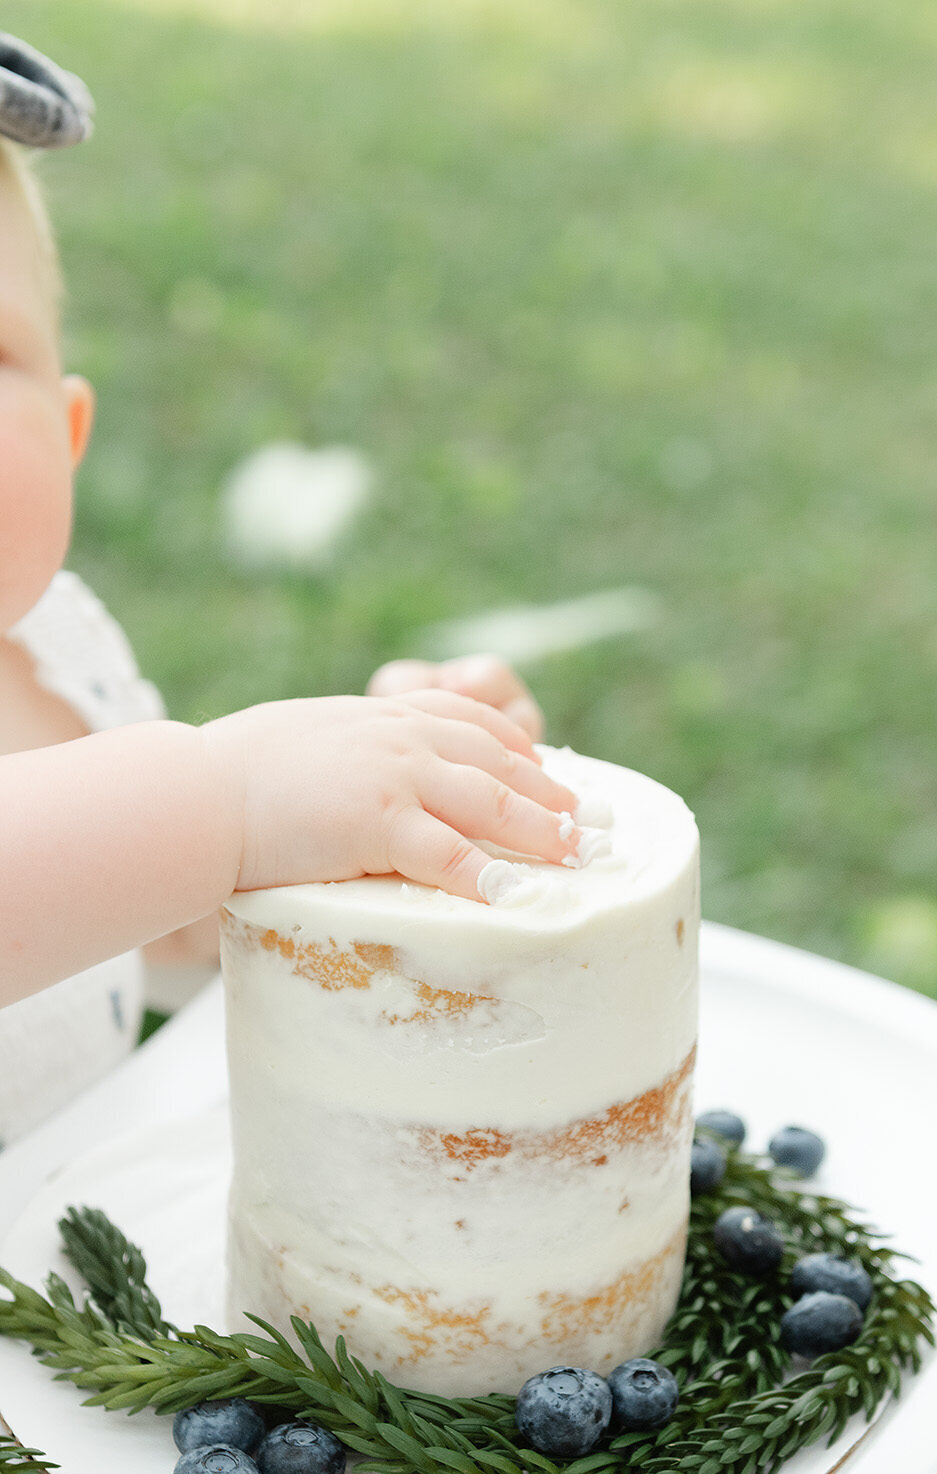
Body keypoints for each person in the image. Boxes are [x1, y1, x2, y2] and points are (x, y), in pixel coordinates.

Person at [0, 36, 579, 1141]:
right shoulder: (195, 789)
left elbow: (151, 918)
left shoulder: (51, 655)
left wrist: (355, 802)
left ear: (69, 436)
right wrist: (230, 799)